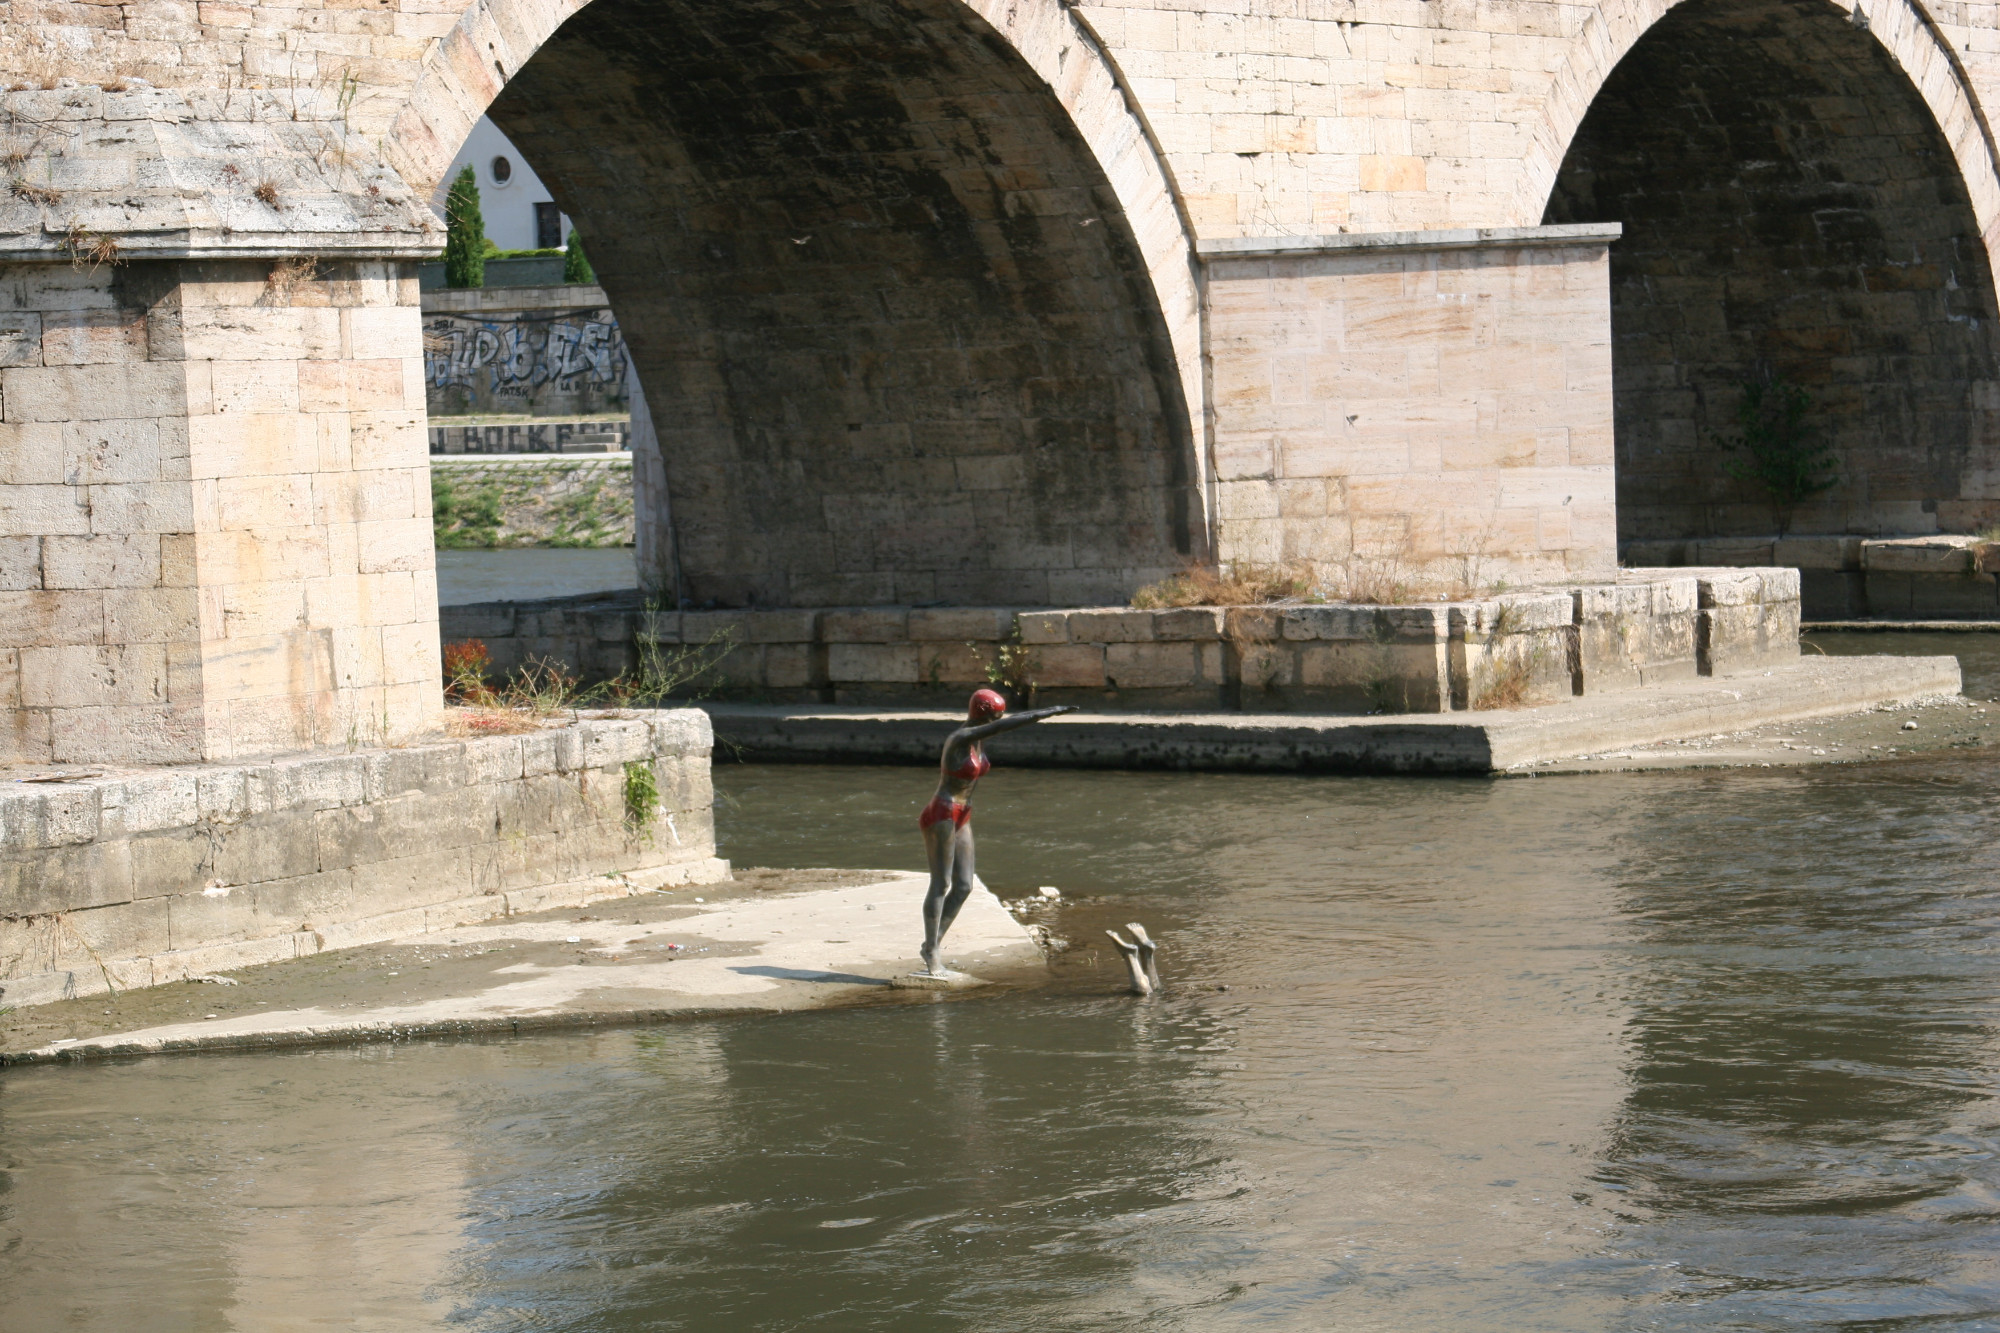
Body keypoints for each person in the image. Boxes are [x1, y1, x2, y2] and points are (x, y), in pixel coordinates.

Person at [916, 688, 1075, 976]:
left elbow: (1004, 723)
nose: (997, 722)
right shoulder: (961, 738)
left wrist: (1046, 712)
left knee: (964, 885)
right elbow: (1006, 725)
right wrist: (1045, 713)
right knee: (941, 884)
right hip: (942, 812)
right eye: (994, 717)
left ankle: (931, 945)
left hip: (963, 813)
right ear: (982, 715)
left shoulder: (979, 738)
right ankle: (933, 953)